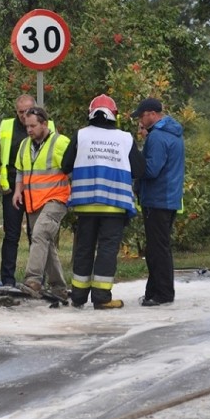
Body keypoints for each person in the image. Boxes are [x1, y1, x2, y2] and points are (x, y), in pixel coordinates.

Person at [62, 95, 146, 309]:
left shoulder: (81, 135)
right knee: (107, 250)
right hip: (115, 204)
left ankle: (78, 297)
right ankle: (101, 297)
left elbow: (65, 165)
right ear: (114, 115)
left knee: (84, 249)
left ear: (91, 113)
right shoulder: (125, 138)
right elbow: (139, 170)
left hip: (85, 203)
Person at [130, 97, 185, 306]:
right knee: (157, 248)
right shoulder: (173, 134)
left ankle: (163, 293)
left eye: (141, 117)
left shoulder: (158, 137)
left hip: (157, 199)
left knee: (158, 249)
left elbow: (151, 170)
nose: (141, 123)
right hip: (169, 198)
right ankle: (153, 291)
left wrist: (135, 156)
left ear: (152, 114)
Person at [11, 106, 71, 299]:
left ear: (44, 124)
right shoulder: (24, 145)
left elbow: (73, 170)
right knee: (46, 241)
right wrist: (17, 192)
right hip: (34, 202)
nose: (29, 130)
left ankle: (33, 280)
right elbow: (20, 171)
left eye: (33, 126)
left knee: (39, 234)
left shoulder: (60, 143)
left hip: (57, 199)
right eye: (27, 126)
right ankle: (59, 288)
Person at [0, 94, 35, 286]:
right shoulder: (6, 127)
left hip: (36, 190)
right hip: (12, 189)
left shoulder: (45, 126)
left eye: (27, 112)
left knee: (37, 236)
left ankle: (37, 279)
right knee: (11, 236)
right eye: (20, 112)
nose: (24, 116)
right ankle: (8, 280)